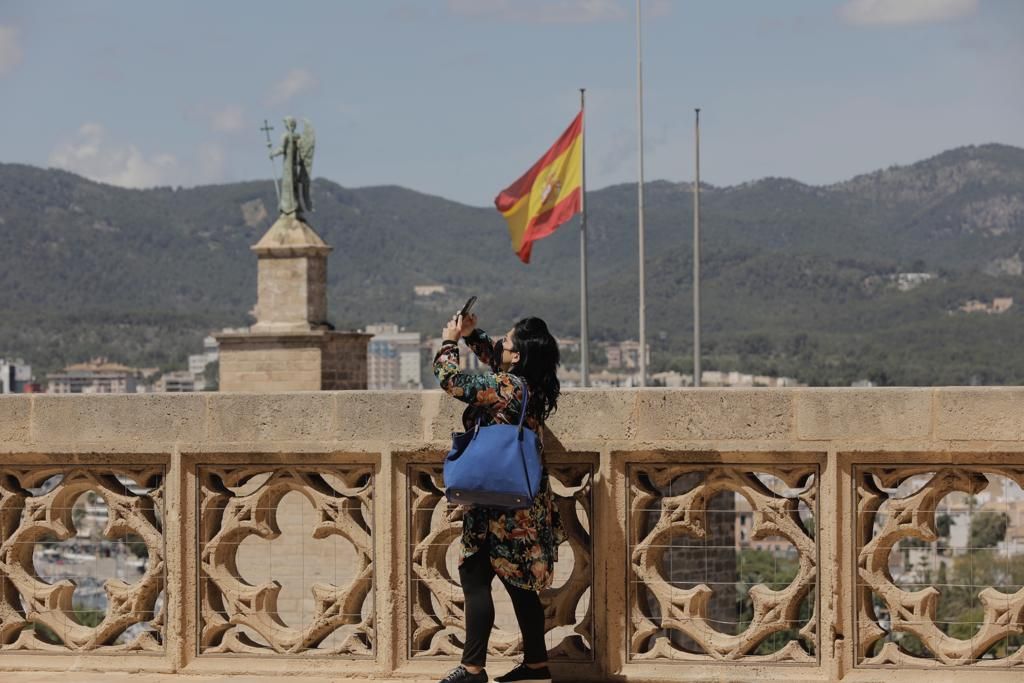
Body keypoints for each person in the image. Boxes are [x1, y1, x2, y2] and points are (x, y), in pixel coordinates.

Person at [433, 311, 566, 683]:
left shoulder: (505, 387)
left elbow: (452, 380)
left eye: (506, 343)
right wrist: (473, 335)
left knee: (474, 574)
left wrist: (449, 341)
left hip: (495, 504)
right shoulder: (532, 386)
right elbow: (497, 355)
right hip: (524, 502)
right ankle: (536, 666)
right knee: (521, 583)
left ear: (517, 356)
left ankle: (473, 668)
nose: (499, 346)